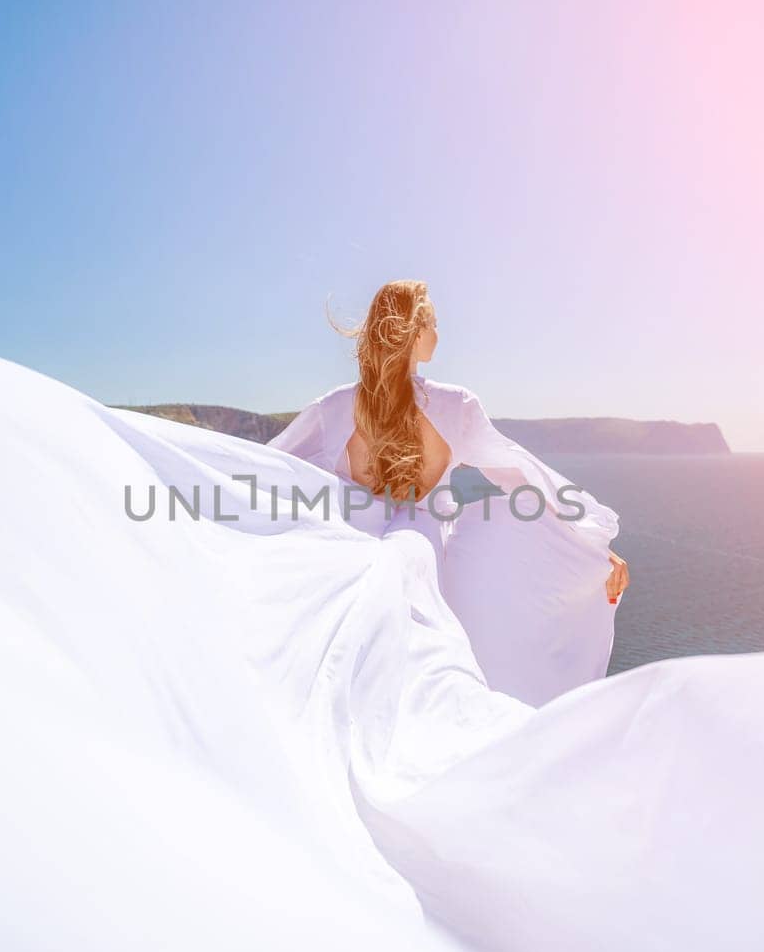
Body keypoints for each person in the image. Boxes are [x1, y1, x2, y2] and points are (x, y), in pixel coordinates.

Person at [268, 279, 629, 705]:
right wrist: (586, 542)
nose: (439, 334)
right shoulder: (453, 407)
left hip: (351, 557)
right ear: (415, 334)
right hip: (429, 563)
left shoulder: (334, 409)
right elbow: (519, 476)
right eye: (434, 323)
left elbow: (271, 468)